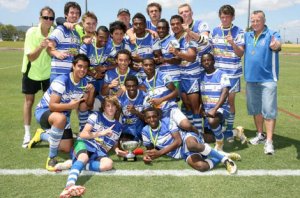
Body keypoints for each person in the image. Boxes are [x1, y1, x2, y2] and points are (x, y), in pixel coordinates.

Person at [34, 54, 95, 171]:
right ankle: (51, 158)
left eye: (85, 67)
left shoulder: (84, 82)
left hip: (62, 115)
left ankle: (41, 135)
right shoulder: (62, 80)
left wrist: (91, 92)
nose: (82, 70)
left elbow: (88, 105)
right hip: (44, 112)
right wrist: (70, 106)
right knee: (60, 118)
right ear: (73, 66)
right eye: (80, 66)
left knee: (66, 148)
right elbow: (52, 106)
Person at [142, 107, 237, 175]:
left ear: (158, 117)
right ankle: (221, 155)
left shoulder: (167, 121)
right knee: (202, 167)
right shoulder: (145, 131)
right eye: (149, 118)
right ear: (145, 120)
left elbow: (178, 141)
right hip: (182, 153)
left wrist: (160, 152)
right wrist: (147, 156)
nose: (152, 119)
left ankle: (225, 160)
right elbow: (149, 149)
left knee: (191, 145)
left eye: (154, 116)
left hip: (186, 138)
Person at [59, 96, 122, 198]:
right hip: (85, 143)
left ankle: (75, 164)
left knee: (108, 164)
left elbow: (114, 142)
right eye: (108, 106)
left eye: (113, 106)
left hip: (100, 151)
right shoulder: (96, 116)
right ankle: (69, 186)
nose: (110, 108)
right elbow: (83, 134)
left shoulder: (118, 126)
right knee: (84, 157)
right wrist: (102, 133)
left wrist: (117, 149)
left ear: (117, 108)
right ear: (104, 107)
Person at [244, 10, 281, 155]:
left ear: (264, 20)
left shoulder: (272, 34)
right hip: (251, 79)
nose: (254, 23)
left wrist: (275, 45)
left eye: (257, 20)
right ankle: (260, 134)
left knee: (269, 112)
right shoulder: (247, 35)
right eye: (252, 20)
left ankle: (269, 141)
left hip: (268, 80)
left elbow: (277, 45)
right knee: (256, 110)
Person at [21, 6, 55, 148]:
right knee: (29, 101)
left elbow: (52, 53)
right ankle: (27, 133)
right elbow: (31, 57)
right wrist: (41, 46)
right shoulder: (31, 32)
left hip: (48, 73)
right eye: (45, 17)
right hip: (31, 72)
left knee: (51, 103)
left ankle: (50, 131)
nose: (48, 20)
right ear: (40, 18)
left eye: (51, 18)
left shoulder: (54, 32)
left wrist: (50, 48)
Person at [211, 5, 245, 143]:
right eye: (222, 16)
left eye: (227, 16)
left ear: (233, 17)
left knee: (230, 101)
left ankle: (229, 130)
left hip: (232, 73)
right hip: (219, 73)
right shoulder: (215, 30)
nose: (225, 19)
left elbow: (240, 53)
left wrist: (233, 44)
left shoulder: (239, 31)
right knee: (219, 102)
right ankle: (222, 127)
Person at [200, 53, 246, 151]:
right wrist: (202, 109)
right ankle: (236, 132)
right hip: (208, 112)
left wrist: (215, 109)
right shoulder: (201, 76)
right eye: (204, 61)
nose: (206, 62)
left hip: (220, 109)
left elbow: (225, 93)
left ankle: (220, 143)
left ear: (213, 61)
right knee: (209, 138)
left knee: (212, 122)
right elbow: (200, 94)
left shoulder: (221, 74)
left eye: (208, 60)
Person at [169, 15, 202, 135]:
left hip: (192, 76)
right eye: (172, 24)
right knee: (187, 105)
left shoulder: (189, 37)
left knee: (195, 107)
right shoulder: (172, 39)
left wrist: (177, 52)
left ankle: (199, 133)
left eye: (178, 23)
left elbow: (192, 57)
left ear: (183, 24)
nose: (175, 26)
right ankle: (191, 132)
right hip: (181, 76)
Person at [47, 1, 81, 82]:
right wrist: (56, 53)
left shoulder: (76, 34)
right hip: (58, 75)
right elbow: (49, 44)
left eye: (77, 13)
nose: (75, 15)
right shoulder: (61, 29)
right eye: (72, 13)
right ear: (66, 14)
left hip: (71, 75)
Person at [130, 13, 162, 79]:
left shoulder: (153, 38)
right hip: (135, 79)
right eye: (135, 24)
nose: (138, 26)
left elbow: (159, 60)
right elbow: (126, 60)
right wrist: (131, 65)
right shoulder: (128, 40)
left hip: (152, 77)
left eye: (140, 24)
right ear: (133, 26)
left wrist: (141, 59)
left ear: (145, 25)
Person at [156, 19, 181, 88]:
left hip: (173, 79)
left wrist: (165, 60)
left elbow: (178, 60)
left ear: (168, 29)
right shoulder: (157, 41)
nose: (160, 30)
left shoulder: (172, 41)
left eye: (163, 28)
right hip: (163, 80)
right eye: (159, 28)